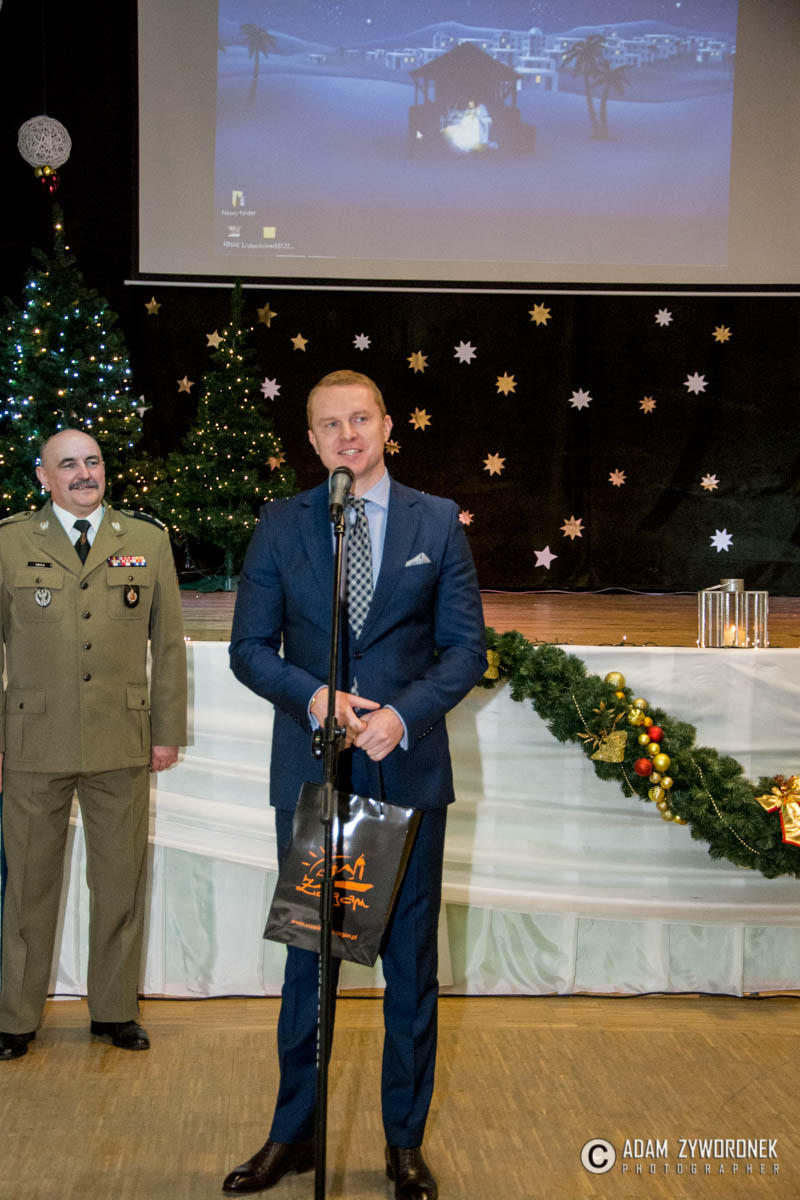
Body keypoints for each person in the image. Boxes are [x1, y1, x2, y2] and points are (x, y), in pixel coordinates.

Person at [225, 370, 487, 1199]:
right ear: (311, 440)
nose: (348, 435)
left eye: (361, 418)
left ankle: (403, 1144)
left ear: (387, 425)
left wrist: (400, 717)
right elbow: (249, 649)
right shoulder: (282, 523)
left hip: (408, 772)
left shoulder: (436, 521)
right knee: (310, 967)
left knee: (411, 969)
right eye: (330, 424)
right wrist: (318, 698)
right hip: (316, 778)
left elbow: (466, 651)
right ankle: (293, 1136)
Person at [0, 429, 187, 1060]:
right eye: (68, 464)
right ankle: (14, 1016)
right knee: (27, 888)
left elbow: (168, 645)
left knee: (118, 884)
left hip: (120, 740)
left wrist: (165, 732)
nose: (84, 473)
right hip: (33, 741)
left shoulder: (146, 540)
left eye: (93, 461)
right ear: (43, 476)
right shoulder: (9, 543)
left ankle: (113, 1011)